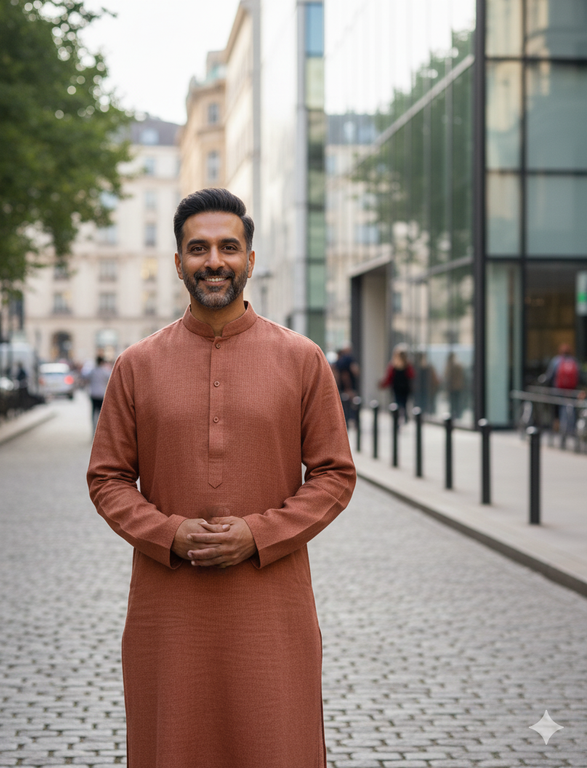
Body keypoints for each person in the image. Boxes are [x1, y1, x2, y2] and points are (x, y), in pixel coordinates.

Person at [87, 188, 356, 768]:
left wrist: (260, 534)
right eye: (199, 248)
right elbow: (107, 478)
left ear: (250, 260)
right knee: (172, 747)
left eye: (228, 247)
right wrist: (169, 534)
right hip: (169, 610)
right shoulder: (136, 365)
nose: (215, 260)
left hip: (271, 609)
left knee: (276, 744)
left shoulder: (302, 359)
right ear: (179, 262)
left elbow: (335, 474)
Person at [379, 344, 414, 422]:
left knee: (399, 404)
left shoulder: (395, 365)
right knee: (401, 404)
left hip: (401, 389)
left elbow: (389, 378)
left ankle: (400, 419)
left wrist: (383, 384)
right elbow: (412, 375)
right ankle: (401, 419)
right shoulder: (397, 365)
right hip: (401, 388)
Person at [87, 355, 112, 430]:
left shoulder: (92, 371)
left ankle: (94, 428)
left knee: (94, 412)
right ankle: (102, 429)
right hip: (102, 394)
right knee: (102, 414)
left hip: (93, 394)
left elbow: (86, 378)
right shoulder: (105, 371)